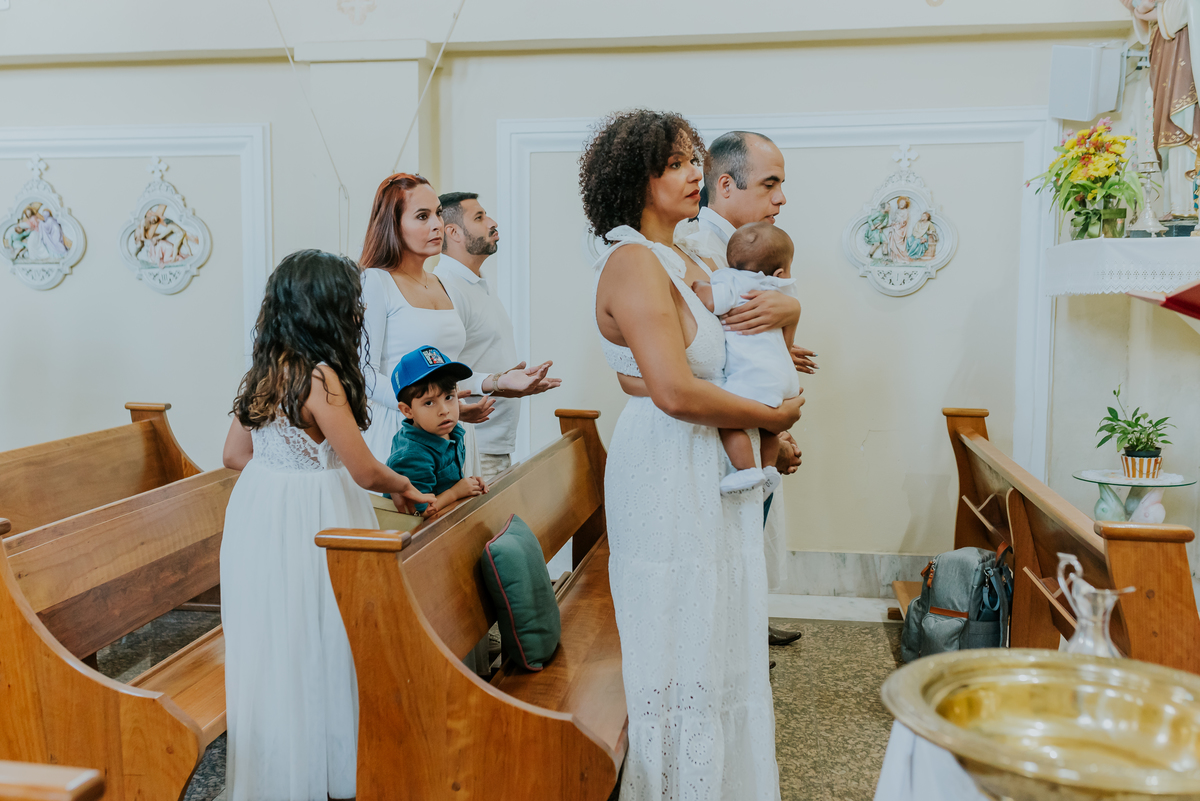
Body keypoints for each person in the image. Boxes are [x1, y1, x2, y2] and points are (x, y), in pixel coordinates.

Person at [582, 109, 803, 800]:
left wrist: (772, 419)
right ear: (637, 179)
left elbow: (668, 368)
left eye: (694, 160)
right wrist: (770, 414)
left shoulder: (690, 257)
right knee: (680, 629)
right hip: (668, 463)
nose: (694, 174)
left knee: (718, 624)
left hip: (702, 459)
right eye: (677, 163)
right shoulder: (632, 261)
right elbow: (674, 391)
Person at [219, 249, 435, 801]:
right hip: (317, 516)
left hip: (260, 515)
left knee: (278, 641)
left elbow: (233, 455)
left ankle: (280, 771)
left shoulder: (266, 369)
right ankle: (330, 769)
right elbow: (363, 468)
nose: (359, 311)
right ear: (328, 309)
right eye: (351, 302)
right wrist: (407, 488)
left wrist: (281, 477)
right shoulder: (322, 377)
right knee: (326, 636)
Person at [690, 130, 810, 648]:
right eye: (770, 184)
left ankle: (746, 628)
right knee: (723, 545)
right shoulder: (696, 248)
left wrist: (792, 316)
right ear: (726, 184)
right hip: (720, 422)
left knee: (745, 538)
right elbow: (711, 353)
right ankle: (734, 644)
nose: (781, 198)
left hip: (754, 409)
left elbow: (756, 341)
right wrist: (774, 427)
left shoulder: (741, 245)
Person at [358, 174, 559, 478]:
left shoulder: (442, 284)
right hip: (401, 433)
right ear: (393, 225)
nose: (437, 225)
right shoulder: (376, 281)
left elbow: (446, 370)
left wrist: (500, 381)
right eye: (422, 217)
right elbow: (364, 372)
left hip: (449, 433)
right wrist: (419, 408)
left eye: (437, 213)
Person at [435, 192, 551, 484]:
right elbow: (438, 373)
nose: (493, 222)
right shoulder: (447, 288)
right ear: (453, 232)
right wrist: (500, 383)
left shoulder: (476, 283)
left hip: (494, 443)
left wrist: (514, 381)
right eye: (479, 217)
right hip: (472, 444)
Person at [692, 223, 800, 496]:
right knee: (768, 430)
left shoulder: (731, 280)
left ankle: (746, 470)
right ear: (779, 272)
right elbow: (786, 339)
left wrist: (700, 286)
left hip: (753, 374)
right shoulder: (779, 289)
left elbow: (713, 302)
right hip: (785, 376)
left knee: (730, 421)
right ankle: (768, 470)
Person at [385, 345, 489, 515]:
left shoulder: (451, 431)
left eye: (449, 397)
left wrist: (470, 484)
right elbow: (418, 515)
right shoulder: (412, 456)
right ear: (407, 410)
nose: (444, 410)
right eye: (429, 403)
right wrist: (456, 492)